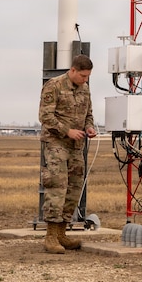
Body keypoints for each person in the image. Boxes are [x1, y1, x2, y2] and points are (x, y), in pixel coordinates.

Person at [39, 54, 97, 254]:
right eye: (82, 75)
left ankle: (62, 233)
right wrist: (67, 131)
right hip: (57, 143)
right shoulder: (53, 86)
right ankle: (51, 236)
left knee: (74, 188)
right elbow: (45, 116)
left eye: (87, 76)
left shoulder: (85, 89)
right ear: (72, 70)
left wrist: (89, 127)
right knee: (57, 186)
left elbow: (88, 114)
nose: (85, 79)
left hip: (77, 146)